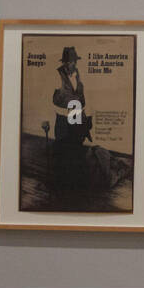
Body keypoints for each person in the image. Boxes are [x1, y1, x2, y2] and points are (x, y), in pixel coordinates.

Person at [51, 46, 92, 196]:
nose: (73, 64)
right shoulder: (57, 75)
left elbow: (80, 94)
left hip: (77, 116)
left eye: (74, 61)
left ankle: (75, 186)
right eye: (70, 62)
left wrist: (84, 112)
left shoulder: (77, 74)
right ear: (64, 63)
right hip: (64, 118)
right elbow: (52, 99)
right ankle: (61, 187)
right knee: (63, 151)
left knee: (76, 150)